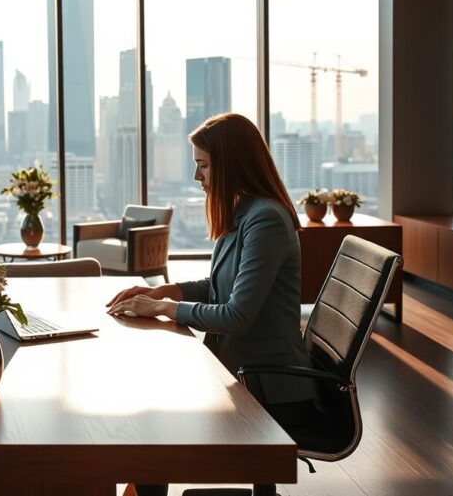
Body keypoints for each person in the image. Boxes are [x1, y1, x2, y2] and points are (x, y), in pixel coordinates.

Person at [106, 113, 316, 496]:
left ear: (231, 163)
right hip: (245, 371)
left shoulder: (265, 220)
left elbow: (236, 314)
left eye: (203, 165)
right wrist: (163, 291)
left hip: (269, 388)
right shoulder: (243, 213)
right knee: (152, 415)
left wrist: (164, 310)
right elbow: (218, 286)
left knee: (155, 429)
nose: (196, 176)